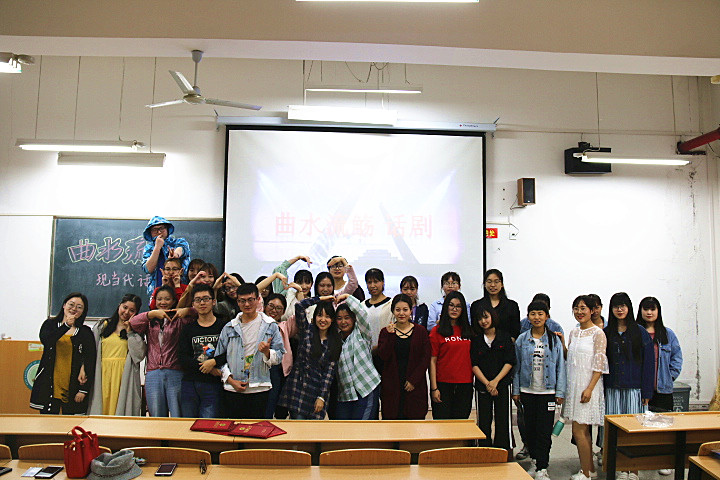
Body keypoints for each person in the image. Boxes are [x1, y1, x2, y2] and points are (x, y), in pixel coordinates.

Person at [512, 300, 566, 480]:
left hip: (547, 393)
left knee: (544, 432)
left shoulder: (554, 339)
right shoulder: (522, 339)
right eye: (533, 314)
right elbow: (517, 367)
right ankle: (535, 462)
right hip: (527, 391)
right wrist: (516, 390)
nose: (536, 317)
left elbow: (560, 367)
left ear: (547, 316)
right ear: (528, 317)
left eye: (540, 314)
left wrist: (560, 392)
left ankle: (543, 467)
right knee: (530, 430)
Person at [215, 283, 285, 419]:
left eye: (250, 300)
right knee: (234, 429)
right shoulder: (229, 327)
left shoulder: (270, 325)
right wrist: (230, 380)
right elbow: (219, 358)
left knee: (257, 429)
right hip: (233, 388)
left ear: (258, 299)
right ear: (237, 302)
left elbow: (279, 356)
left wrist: (267, 352)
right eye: (242, 301)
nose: (246, 304)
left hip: (260, 387)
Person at [604, 292, 654, 480]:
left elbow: (648, 364)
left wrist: (647, 391)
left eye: (623, 305)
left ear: (629, 308)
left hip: (634, 390)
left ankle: (633, 470)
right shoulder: (607, 332)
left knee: (633, 431)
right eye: (616, 306)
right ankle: (618, 468)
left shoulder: (640, 332)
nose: (619, 309)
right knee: (614, 431)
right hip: (612, 389)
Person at [636, 296, 683, 477]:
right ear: (640, 311)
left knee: (664, 427)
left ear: (658, 311)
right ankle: (642, 460)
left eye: (652, 309)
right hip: (641, 388)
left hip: (662, 388)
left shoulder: (667, 334)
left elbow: (677, 358)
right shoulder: (636, 332)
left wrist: (669, 377)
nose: (649, 312)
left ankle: (665, 461)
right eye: (646, 309)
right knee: (642, 425)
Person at [129, 285, 192, 417]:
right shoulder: (150, 321)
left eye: (167, 299)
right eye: (159, 299)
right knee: (156, 414)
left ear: (173, 301)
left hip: (175, 371)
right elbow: (133, 323)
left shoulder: (179, 320)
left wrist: (187, 310)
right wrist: (151, 314)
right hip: (153, 372)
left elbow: (198, 313)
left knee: (177, 413)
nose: (163, 302)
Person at [30, 293, 96, 415]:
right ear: (64, 305)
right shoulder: (50, 325)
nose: (74, 309)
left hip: (73, 384)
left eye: (79, 307)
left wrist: (83, 389)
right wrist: (66, 326)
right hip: (50, 382)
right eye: (71, 304)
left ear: (83, 311)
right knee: (47, 421)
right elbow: (47, 340)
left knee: (72, 423)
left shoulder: (85, 332)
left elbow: (90, 359)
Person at [565, 295, 608, 480]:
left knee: (578, 431)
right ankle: (590, 469)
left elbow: (599, 365)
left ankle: (585, 474)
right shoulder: (574, 332)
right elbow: (571, 359)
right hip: (574, 385)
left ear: (592, 311)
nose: (579, 312)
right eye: (576, 308)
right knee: (583, 431)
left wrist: (590, 388)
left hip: (588, 387)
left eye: (583, 308)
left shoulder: (598, 333)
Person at [278, 295, 341, 419]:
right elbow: (299, 306)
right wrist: (320, 299)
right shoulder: (307, 330)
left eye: (327, 316)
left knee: (313, 428)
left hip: (316, 389)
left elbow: (329, 373)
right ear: (315, 317)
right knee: (297, 424)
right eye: (320, 315)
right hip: (298, 386)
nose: (323, 320)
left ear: (332, 320)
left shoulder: (334, 342)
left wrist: (322, 396)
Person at [470, 300, 515, 456]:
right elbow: (474, 364)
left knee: (503, 419)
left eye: (486, 317)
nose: (483, 321)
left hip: (502, 385)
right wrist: (487, 383)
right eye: (480, 319)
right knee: (484, 420)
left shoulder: (504, 337)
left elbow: (510, 361)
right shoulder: (476, 340)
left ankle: (503, 451)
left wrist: (495, 382)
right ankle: (484, 451)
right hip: (483, 386)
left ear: (493, 317)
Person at [88, 294, 145, 416]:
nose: (126, 312)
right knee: (101, 409)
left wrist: (130, 332)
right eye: (125, 307)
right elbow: (91, 351)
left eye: (132, 310)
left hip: (124, 375)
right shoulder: (102, 326)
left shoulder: (136, 332)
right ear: (119, 306)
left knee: (120, 410)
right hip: (102, 374)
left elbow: (139, 355)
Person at [377, 294, 431, 420]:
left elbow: (425, 358)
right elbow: (383, 356)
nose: (401, 313)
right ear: (393, 311)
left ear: (411, 310)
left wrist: (413, 380)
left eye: (405, 310)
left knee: (414, 422)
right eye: (398, 310)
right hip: (392, 385)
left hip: (414, 385)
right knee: (392, 421)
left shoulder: (420, 331)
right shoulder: (385, 332)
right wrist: (390, 336)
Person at [178, 285, 227, 418]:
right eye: (198, 300)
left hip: (214, 384)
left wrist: (214, 362)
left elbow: (231, 352)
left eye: (206, 299)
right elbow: (182, 357)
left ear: (214, 301)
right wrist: (207, 367)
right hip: (190, 383)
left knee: (208, 424)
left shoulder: (224, 327)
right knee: (188, 423)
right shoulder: (188, 329)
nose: (202, 303)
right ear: (193, 304)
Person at [331, 294, 382, 420]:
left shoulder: (361, 333)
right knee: (343, 428)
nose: (343, 322)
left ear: (354, 319)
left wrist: (348, 297)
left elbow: (361, 312)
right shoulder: (334, 340)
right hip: (345, 394)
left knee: (362, 428)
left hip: (366, 388)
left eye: (347, 318)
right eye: (339, 318)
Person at [429, 291, 474, 419]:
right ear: (446, 307)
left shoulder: (469, 331)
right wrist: (434, 388)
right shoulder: (436, 331)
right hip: (443, 384)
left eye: (458, 306)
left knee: (461, 423)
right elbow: (432, 361)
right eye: (451, 305)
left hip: (465, 384)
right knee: (442, 424)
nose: (455, 309)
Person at [141, 216, 191, 298]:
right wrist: (157, 247)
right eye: (154, 229)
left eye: (162, 228)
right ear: (150, 232)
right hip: (158, 293)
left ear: (167, 229)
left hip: (180, 290)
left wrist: (175, 254)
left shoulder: (179, 242)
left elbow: (181, 249)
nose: (159, 232)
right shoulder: (148, 248)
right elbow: (148, 269)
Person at [263, 292, 289, 418]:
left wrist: (297, 290)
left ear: (283, 311)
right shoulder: (257, 322)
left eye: (278, 308)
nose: (274, 310)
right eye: (271, 306)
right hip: (257, 369)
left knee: (270, 407)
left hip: (276, 371)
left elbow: (301, 310)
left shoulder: (285, 326)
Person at [481, 269, 520, 340]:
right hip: (483, 344)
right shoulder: (477, 305)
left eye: (496, 282)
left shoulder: (512, 306)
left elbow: (515, 330)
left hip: (505, 344)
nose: (493, 285)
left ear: (502, 284)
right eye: (489, 281)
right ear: (484, 284)